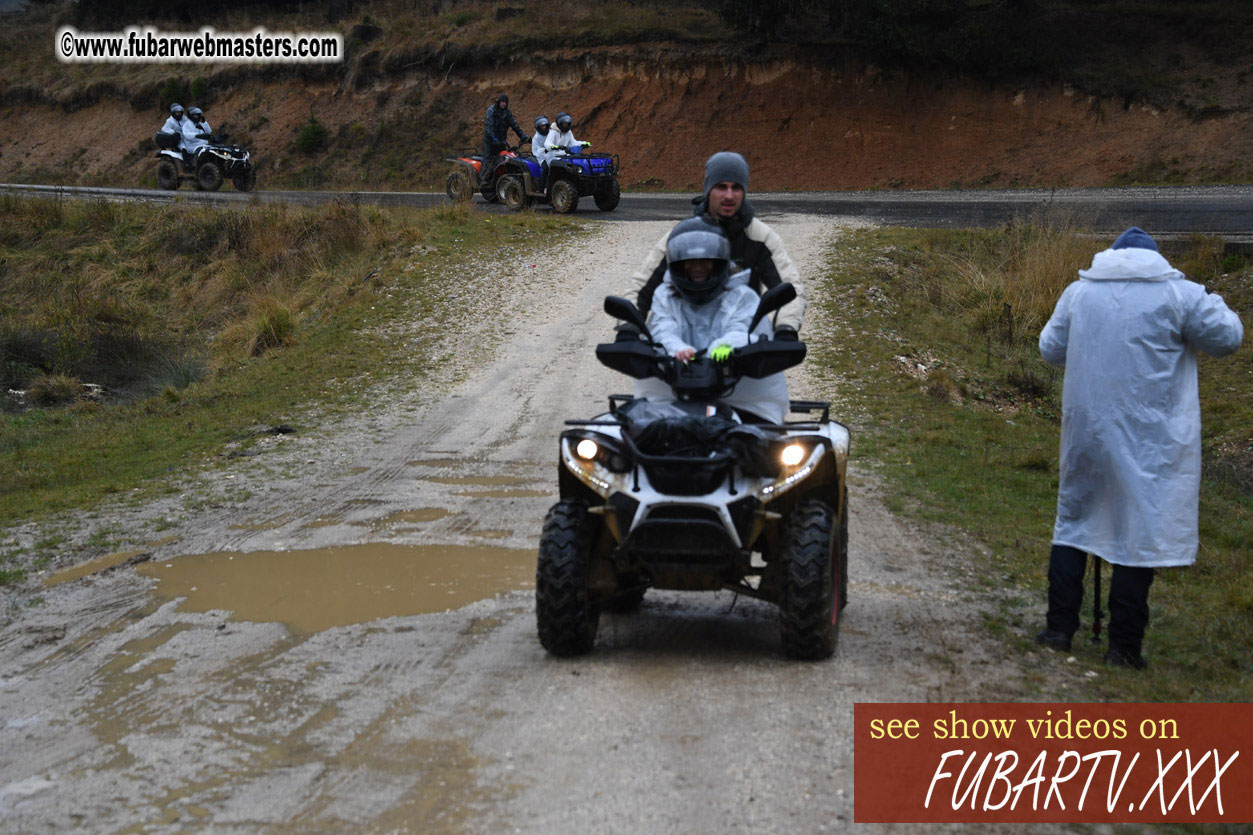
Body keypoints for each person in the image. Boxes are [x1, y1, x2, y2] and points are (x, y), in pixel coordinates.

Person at [1034, 226, 1243, 669]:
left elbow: (1050, 349)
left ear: (1110, 256)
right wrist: (1213, 296)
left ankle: (1058, 630)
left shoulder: (1079, 292)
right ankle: (1123, 648)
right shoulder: (1179, 295)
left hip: (1088, 432)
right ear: (1156, 259)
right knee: (1137, 535)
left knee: (1074, 521)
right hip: (1150, 440)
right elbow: (1229, 337)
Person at [618, 151, 805, 343]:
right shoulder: (682, 237)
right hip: (684, 342)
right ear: (708, 189)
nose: (729, 195)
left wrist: (785, 328)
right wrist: (628, 327)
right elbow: (641, 286)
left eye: (736, 188)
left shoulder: (760, 236)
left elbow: (790, 287)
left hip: (742, 342)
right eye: (721, 187)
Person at [635, 217, 790, 424]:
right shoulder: (664, 295)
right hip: (671, 396)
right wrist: (677, 349)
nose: (698, 267)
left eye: (705, 261)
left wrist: (724, 347)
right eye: (690, 262)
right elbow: (662, 329)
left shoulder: (743, 296)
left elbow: (743, 330)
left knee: (767, 451)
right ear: (678, 264)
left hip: (742, 399)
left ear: (719, 262)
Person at [482, 93, 526, 188]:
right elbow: (489, 127)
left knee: (503, 159)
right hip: (490, 140)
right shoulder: (491, 111)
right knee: (488, 158)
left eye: (505, 102)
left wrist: (522, 136)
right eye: (502, 102)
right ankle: (483, 179)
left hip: (501, 140)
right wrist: (494, 138)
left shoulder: (507, 113)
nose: (503, 104)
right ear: (499, 102)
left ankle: (497, 180)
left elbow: (514, 125)